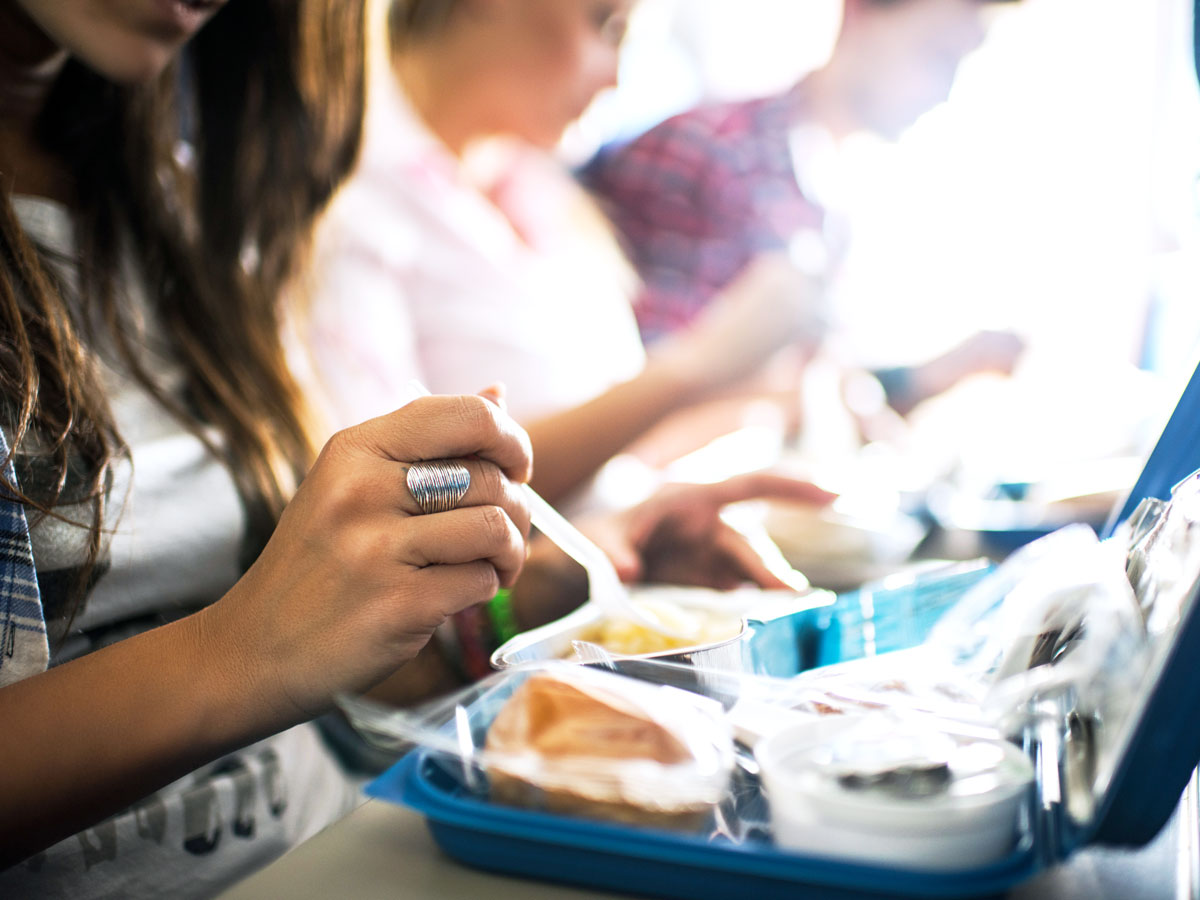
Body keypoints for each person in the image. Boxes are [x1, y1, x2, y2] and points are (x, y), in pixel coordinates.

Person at [0, 2, 831, 893]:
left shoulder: (180, 204)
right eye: (605, 24)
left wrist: (541, 582)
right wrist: (251, 646)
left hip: (358, 835)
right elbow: (263, 651)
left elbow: (343, 684)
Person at [302, 0, 829, 508]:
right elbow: (394, 494)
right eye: (606, 25)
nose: (617, 79)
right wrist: (695, 366)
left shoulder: (536, 186)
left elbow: (603, 472)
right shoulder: (348, 199)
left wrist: (750, 408)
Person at [580, 0, 1025, 420]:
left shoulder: (835, 207)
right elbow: (638, 398)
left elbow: (802, 395)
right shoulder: (709, 151)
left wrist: (923, 378)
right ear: (857, 12)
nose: (942, 93)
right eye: (935, 57)